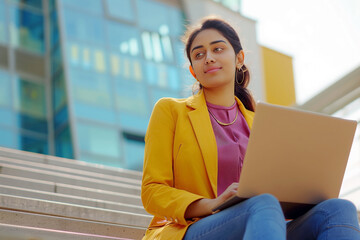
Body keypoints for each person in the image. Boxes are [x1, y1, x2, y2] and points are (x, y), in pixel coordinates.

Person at [141, 16, 360, 240]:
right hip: (195, 229)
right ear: (193, 71)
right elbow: (152, 191)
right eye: (199, 54)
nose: (208, 58)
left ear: (239, 59)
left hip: (262, 225)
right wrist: (211, 204)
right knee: (262, 204)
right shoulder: (170, 111)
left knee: (338, 209)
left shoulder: (262, 123)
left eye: (218, 49)